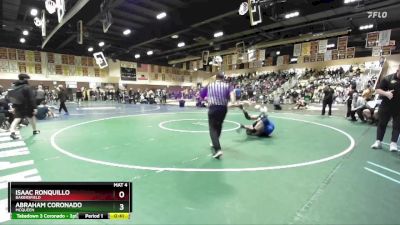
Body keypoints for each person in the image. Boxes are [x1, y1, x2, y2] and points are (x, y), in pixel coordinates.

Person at [200, 72, 233, 159]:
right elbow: (232, 97)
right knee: (219, 125)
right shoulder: (228, 86)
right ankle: (215, 142)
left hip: (213, 108)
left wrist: (207, 98)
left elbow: (202, 95)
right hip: (223, 108)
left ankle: (218, 150)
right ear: (223, 78)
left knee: (212, 128)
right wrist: (232, 102)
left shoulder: (210, 85)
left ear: (216, 77)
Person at [371, 65, 400, 151]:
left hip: (398, 108)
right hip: (386, 106)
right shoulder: (388, 78)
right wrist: (386, 93)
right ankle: (378, 142)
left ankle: (393, 144)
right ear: (398, 70)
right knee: (382, 123)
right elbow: (377, 90)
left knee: (397, 126)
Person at [7, 74, 39, 140]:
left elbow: (12, 98)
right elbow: (31, 98)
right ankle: (35, 130)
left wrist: (13, 106)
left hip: (18, 105)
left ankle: (12, 132)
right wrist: (35, 107)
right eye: (27, 79)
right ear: (25, 79)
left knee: (17, 119)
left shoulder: (14, 87)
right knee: (32, 118)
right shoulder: (27, 87)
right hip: (27, 106)